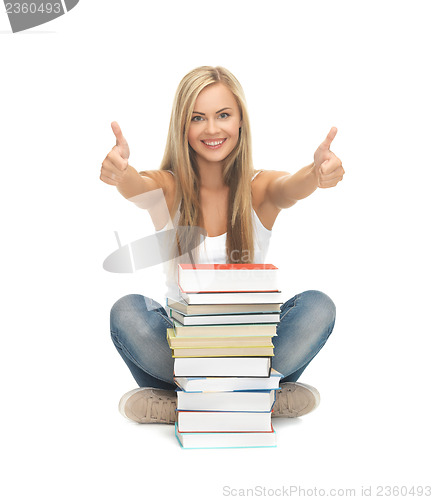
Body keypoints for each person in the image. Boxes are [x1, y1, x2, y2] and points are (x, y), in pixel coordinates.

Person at [101, 66, 344, 425]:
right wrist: (121, 175)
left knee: (318, 306)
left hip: (252, 349)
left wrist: (316, 173)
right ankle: (260, 400)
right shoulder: (167, 190)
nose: (212, 129)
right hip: (183, 352)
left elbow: (293, 186)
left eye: (223, 115)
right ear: (182, 126)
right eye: (198, 118)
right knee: (126, 312)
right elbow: (138, 185)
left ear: (241, 121)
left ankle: (180, 406)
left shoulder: (260, 188)